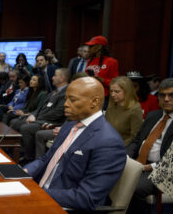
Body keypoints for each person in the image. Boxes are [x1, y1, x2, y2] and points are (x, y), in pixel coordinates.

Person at [24, 77, 126, 210]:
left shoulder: (109, 142)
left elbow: (86, 198)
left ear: (94, 102)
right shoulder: (69, 126)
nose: (65, 104)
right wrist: (23, 172)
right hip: (42, 194)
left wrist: (37, 193)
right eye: (66, 99)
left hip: (63, 206)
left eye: (72, 100)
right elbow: (46, 159)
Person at [127, 78, 173, 213]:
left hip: (162, 170)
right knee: (106, 176)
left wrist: (148, 167)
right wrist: (126, 158)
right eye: (162, 95)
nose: (166, 99)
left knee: (131, 187)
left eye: (171, 95)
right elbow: (136, 141)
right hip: (138, 164)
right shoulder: (153, 116)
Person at [12, 68, 70, 163]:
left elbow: (58, 113)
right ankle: (20, 151)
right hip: (40, 118)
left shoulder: (66, 93)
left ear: (62, 78)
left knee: (25, 128)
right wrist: (33, 115)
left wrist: (37, 118)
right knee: (16, 122)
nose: (52, 77)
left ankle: (29, 158)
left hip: (52, 122)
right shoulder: (54, 91)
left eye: (55, 75)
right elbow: (41, 107)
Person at [105, 76, 143, 146]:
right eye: (111, 91)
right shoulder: (111, 106)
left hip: (122, 148)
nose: (112, 94)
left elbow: (135, 137)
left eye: (117, 91)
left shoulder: (135, 109)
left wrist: (117, 147)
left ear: (127, 92)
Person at [84, 35, 119, 108]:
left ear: (99, 47)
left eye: (91, 46)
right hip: (90, 95)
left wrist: (102, 80)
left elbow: (116, 82)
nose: (89, 49)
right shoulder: (89, 61)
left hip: (104, 97)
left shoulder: (111, 61)